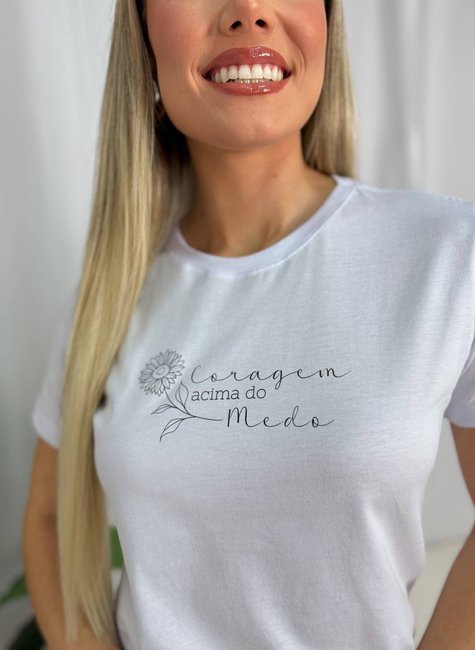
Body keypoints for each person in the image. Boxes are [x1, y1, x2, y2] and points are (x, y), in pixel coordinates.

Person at [22, 0, 475, 648]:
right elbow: (49, 516)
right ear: (143, 33)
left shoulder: (448, 253)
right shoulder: (108, 300)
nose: (249, 10)